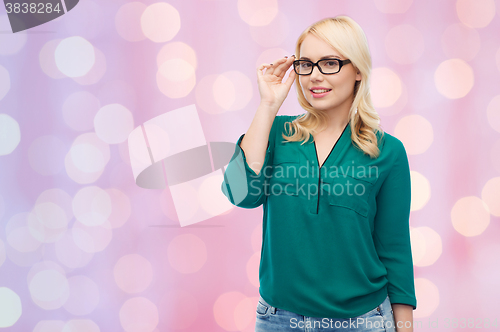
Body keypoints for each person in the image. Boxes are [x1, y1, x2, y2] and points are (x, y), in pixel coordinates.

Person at [220, 15, 416, 332]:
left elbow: (395, 250)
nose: (314, 76)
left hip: (362, 322)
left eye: (329, 63)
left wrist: (404, 329)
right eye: (306, 64)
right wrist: (268, 106)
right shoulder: (277, 133)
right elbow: (240, 193)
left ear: (357, 70)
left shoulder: (388, 152)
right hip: (277, 320)